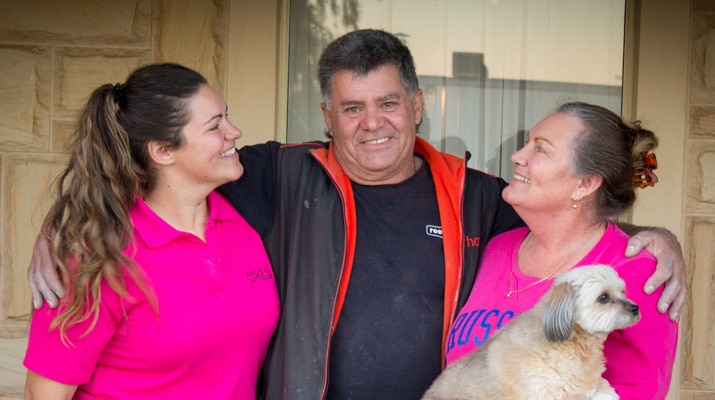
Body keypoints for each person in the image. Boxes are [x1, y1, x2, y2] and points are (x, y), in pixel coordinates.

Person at [28, 30, 687, 400]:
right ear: (326, 115)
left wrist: (652, 237)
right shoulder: (275, 176)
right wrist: (65, 226)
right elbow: (146, 177)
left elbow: (571, 221)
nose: (372, 124)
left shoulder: (477, 196)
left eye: (389, 103)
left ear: (417, 104)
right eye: (351, 108)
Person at [23, 63, 279, 399]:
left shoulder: (245, 218)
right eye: (215, 127)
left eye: (226, 117)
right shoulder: (97, 257)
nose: (235, 132)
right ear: (162, 150)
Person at [444, 102, 677, 399]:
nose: (517, 156)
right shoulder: (497, 248)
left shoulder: (637, 272)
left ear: (585, 183)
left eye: (540, 149)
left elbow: (638, 391)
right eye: (527, 143)